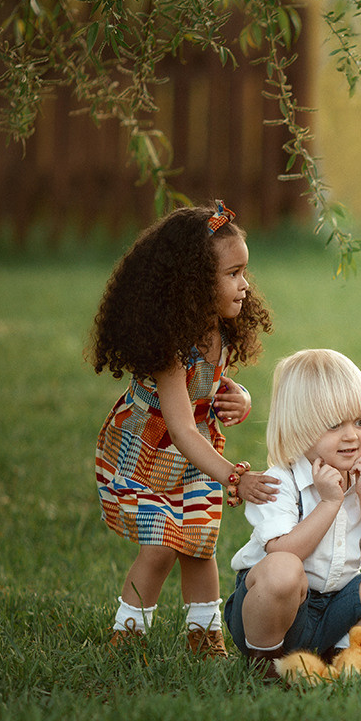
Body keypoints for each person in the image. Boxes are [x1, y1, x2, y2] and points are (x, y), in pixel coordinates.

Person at [90, 202, 277, 657]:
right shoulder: (169, 345)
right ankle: (128, 636)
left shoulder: (222, 331)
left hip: (193, 460)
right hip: (145, 458)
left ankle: (205, 635)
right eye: (233, 274)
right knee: (160, 548)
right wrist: (233, 476)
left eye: (244, 271)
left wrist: (242, 398)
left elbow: (207, 390)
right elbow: (179, 425)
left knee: (198, 545)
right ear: (193, 285)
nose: (245, 285)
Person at [225, 349, 361, 679]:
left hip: (334, 608)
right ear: (299, 428)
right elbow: (282, 553)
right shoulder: (279, 480)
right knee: (283, 567)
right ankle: (268, 663)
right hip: (271, 614)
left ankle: (343, 653)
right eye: (334, 425)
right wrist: (329, 504)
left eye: (360, 422)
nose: (351, 435)